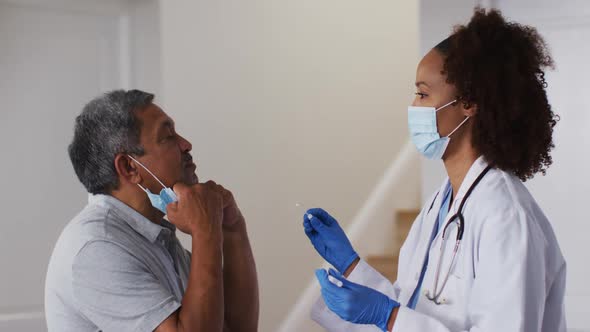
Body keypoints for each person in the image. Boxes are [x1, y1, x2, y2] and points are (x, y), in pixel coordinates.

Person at [304, 8, 566, 332]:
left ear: (469, 103)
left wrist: (388, 316)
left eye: (423, 93)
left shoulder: (506, 216)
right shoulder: (440, 205)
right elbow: (412, 305)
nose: (414, 107)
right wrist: (351, 266)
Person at [45, 90, 259, 331]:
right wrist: (205, 230)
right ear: (129, 167)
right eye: (168, 137)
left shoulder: (154, 235)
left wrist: (232, 230)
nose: (186, 144)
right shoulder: (96, 248)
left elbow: (236, 328)